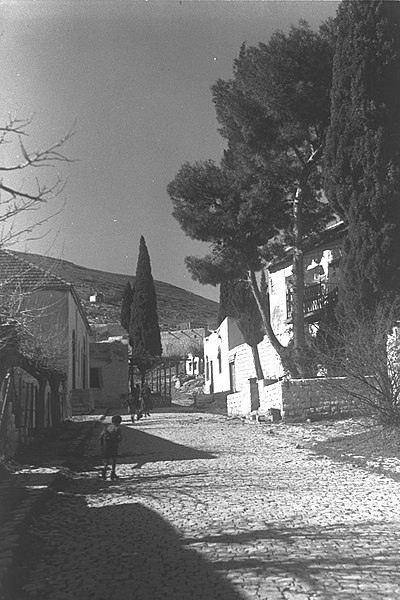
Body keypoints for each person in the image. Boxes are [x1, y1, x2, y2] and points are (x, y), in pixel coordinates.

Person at [100, 415, 122, 480]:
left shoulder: (107, 427)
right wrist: (116, 442)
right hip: (113, 446)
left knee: (106, 461)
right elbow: (120, 438)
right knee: (114, 460)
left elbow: (101, 436)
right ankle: (113, 473)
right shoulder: (117, 428)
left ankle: (104, 472)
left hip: (105, 446)